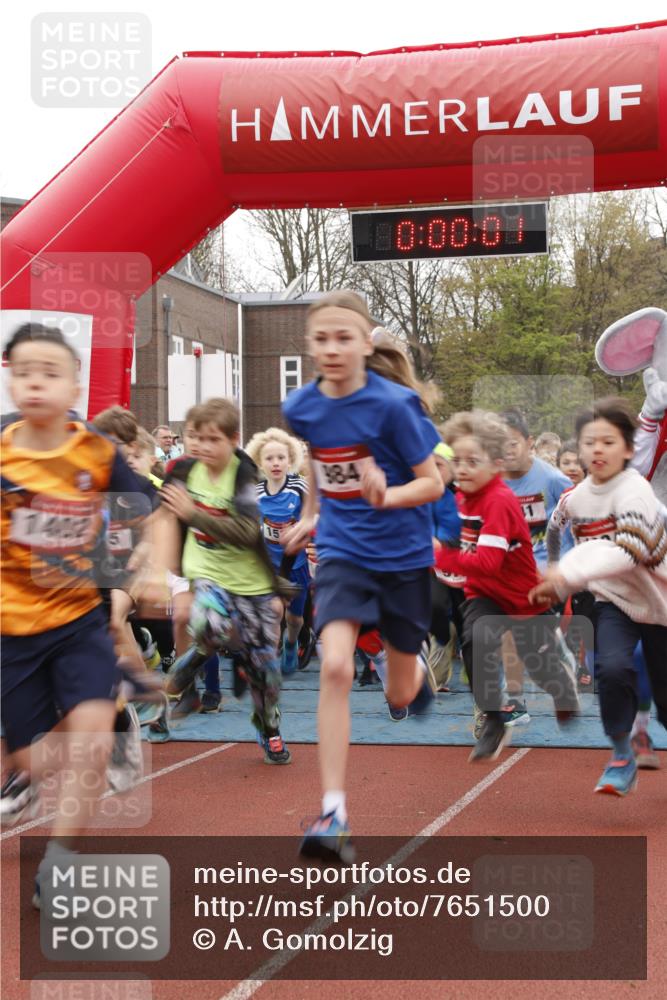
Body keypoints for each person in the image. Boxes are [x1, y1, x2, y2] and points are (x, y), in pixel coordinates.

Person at [281, 293, 443, 862]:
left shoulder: (396, 406)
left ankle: (414, 671)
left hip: (401, 557)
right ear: (310, 345)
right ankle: (334, 811)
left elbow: (432, 485)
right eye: (321, 339)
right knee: (335, 666)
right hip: (343, 550)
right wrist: (309, 517)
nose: (332, 349)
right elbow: (322, 466)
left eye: (343, 338)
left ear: (365, 342)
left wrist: (386, 494)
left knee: (400, 693)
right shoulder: (301, 407)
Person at [0, 323, 146, 902]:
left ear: (75, 383)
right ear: (10, 380)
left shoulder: (97, 451)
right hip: (13, 629)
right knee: (32, 757)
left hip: (79, 618)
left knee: (86, 746)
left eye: (50, 373)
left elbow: (138, 516)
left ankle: (57, 862)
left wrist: (131, 580)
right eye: (24, 372)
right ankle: (109, 716)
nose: (36, 384)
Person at [530, 397, 667, 796]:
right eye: (589, 442)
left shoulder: (636, 492)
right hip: (614, 603)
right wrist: (553, 566)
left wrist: (564, 574)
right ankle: (622, 755)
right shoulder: (575, 499)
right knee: (611, 667)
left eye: (608, 442)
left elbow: (627, 552)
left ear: (628, 449)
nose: (597, 450)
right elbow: (556, 528)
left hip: (659, 605)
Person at [434, 410, 580, 762]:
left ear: (496, 464)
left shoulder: (499, 501)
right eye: (460, 461)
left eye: (474, 461)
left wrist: (440, 555)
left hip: (523, 599)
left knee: (539, 666)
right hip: (483, 595)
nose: (464, 468)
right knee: (476, 640)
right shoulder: (461, 497)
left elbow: (487, 562)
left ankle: (562, 686)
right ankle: (494, 719)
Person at [156, 398, 295, 763]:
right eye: (193, 437)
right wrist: (161, 567)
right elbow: (165, 519)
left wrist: (194, 515)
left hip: (251, 582)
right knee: (210, 625)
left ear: (233, 440)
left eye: (211, 439)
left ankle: (268, 725)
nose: (200, 445)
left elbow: (248, 532)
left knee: (267, 674)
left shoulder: (242, 474)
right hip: (207, 571)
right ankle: (200, 659)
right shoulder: (183, 470)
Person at [499, 409, 574, 724]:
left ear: (529, 443)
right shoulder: (492, 483)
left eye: (513, 443)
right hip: (510, 571)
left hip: (548, 570)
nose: (507, 450)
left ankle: (556, 651)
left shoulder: (554, 480)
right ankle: (515, 701)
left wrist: (564, 567)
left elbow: (577, 519)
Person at [245, 427, 310, 674]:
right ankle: (270, 668)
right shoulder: (256, 492)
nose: (275, 463)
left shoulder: (299, 487)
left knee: (294, 620)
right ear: (260, 462)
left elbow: (312, 515)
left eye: (281, 458)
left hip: (296, 565)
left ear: (290, 460)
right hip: (269, 566)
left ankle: (292, 642)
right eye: (269, 458)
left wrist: (300, 529)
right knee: (273, 613)